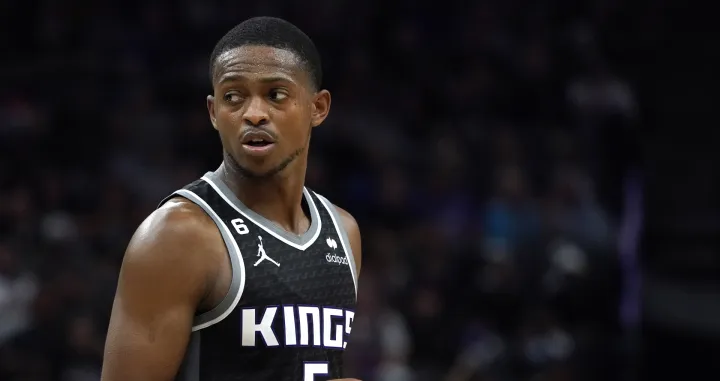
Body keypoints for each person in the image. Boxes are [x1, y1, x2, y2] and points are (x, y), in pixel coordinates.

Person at [101, 17, 361, 381]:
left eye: (276, 95)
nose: (253, 114)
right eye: (233, 97)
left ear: (318, 107)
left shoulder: (343, 232)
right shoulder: (178, 235)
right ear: (213, 112)